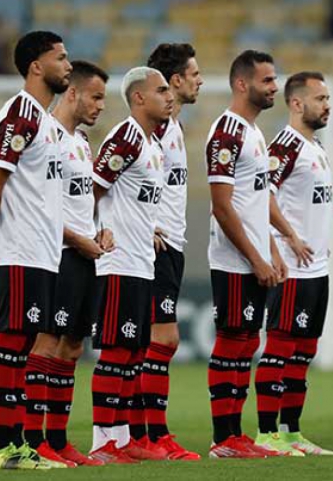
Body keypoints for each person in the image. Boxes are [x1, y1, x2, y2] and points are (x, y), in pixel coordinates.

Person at [0, 31, 70, 470]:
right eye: (60, 57)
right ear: (36, 66)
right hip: (18, 248)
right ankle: (2, 446)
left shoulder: (48, 122)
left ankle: (16, 444)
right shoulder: (20, 114)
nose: (68, 65)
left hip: (43, 253)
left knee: (24, 344)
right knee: (11, 342)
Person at [87, 67, 172, 463]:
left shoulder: (152, 144)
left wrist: (147, 225)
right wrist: (95, 235)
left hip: (141, 261)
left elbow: (128, 197)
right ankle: (103, 440)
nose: (169, 96)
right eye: (161, 90)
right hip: (118, 261)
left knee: (136, 352)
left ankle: (123, 439)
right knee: (117, 352)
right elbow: (93, 189)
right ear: (139, 98)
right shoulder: (124, 137)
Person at [205, 50, 286, 459]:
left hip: (254, 257)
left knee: (247, 343)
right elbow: (222, 206)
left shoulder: (254, 132)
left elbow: (254, 203)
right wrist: (255, 258)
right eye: (267, 80)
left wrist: (271, 249)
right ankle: (224, 438)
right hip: (233, 259)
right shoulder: (226, 132)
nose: (275, 87)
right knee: (232, 340)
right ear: (242, 84)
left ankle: (237, 435)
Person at [254, 71, 333, 456]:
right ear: (297, 103)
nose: (327, 105)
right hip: (291, 266)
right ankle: (266, 433)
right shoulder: (284, 147)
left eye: (328, 98)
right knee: (280, 349)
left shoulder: (315, 146)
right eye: (320, 98)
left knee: (304, 353)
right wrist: (288, 237)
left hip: (317, 268)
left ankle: (291, 432)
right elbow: (262, 197)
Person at [38, 60, 110, 466]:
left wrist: (99, 232)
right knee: (47, 345)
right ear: (72, 93)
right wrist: (78, 239)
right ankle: (36, 438)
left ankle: (58, 439)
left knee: (73, 347)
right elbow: (40, 205)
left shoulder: (81, 142)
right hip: (58, 254)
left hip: (85, 254)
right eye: (95, 97)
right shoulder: (47, 137)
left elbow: (81, 203)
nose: (100, 106)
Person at [137, 43, 202, 460]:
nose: (198, 80)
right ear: (174, 80)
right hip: (152, 244)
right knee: (161, 337)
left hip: (171, 243)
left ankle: (142, 433)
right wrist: (148, 225)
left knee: (155, 339)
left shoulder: (172, 127)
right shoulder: (153, 128)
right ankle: (149, 433)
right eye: (193, 74)